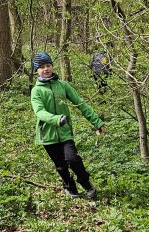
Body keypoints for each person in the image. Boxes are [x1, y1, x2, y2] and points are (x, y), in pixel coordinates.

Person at [30, 51, 105, 198]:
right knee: (60, 165)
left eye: (48, 65)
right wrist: (56, 119)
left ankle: (86, 183)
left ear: (52, 66)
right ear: (36, 71)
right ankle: (70, 187)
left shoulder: (63, 86)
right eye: (42, 67)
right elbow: (39, 112)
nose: (46, 69)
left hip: (65, 132)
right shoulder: (36, 91)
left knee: (73, 159)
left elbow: (81, 104)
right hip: (47, 135)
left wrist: (97, 122)